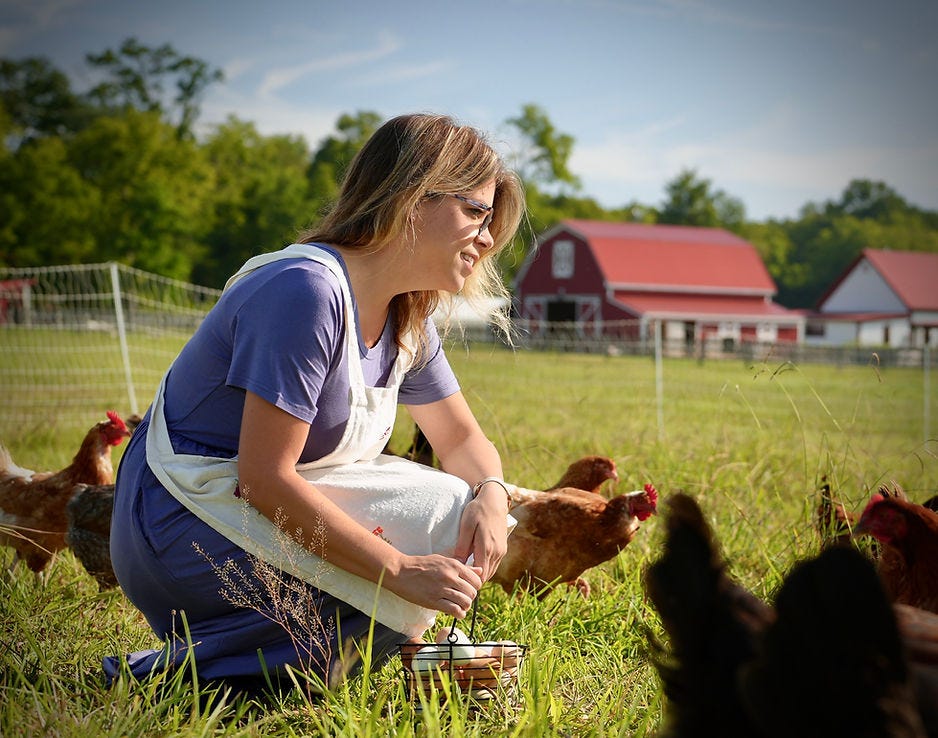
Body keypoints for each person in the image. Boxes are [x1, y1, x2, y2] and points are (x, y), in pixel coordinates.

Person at [104, 113, 526, 694]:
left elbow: (459, 441)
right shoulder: (305, 290)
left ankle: (365, 653)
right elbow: (264, 479)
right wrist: (399, 571)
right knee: (426, 525)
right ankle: (168, 674)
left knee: (455, 503)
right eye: (476, 212)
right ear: (411, 196)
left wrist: (491, 496)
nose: (487, 238)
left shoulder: (408, 313)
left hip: (250, 511)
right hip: (180, 519)